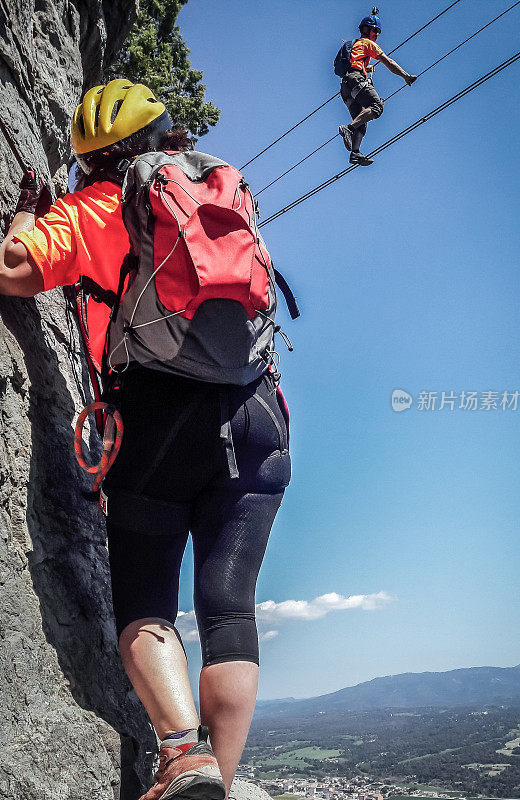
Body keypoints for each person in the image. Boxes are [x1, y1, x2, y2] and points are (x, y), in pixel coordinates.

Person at [0, 79, 292, 800]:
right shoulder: (221, 199)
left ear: (88, 159)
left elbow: (13, 271)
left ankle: (181, 756)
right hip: (259, 417)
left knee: (147, 606)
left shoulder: (93, 207)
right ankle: (217, 780)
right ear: (171, 138)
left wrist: (23, 215)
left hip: (158, 421)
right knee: (229, 611)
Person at [338, 13, 418, 166]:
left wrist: (365, 69)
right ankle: (348, 129)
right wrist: (406, 76)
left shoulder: (355, 45)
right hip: (355, 80)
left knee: (361, 121)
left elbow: (353, 64)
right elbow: (388, 62)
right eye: (376, 30)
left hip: (345, 87)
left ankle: (355, 153)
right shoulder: (367, 43)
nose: (378, 34)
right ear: (367, 29)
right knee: (377, 107)